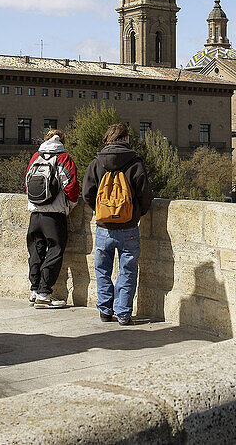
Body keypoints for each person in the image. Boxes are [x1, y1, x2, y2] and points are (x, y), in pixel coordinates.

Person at [82, 123, 153, 325]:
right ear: (125, 139)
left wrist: (100, 211)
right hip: (129, 226)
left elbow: (87, 193)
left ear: (108, 139)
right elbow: (145, 194)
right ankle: (123, 314)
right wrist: (138, 213)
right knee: (128, 270)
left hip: (104, 227)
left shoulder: (96, 162)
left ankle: (105, 310)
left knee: (102, 269)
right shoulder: (134, 162)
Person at [24, 129, 79, 309]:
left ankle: (34, 290)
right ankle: (44, 293)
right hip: (54, 215)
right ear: (62, 140)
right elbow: (70, 185)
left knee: (36, 250)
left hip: (35, 213)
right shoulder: (63, 158)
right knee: (55, 250)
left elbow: (27, 182)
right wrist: (70, 205)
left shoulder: (35, 157)